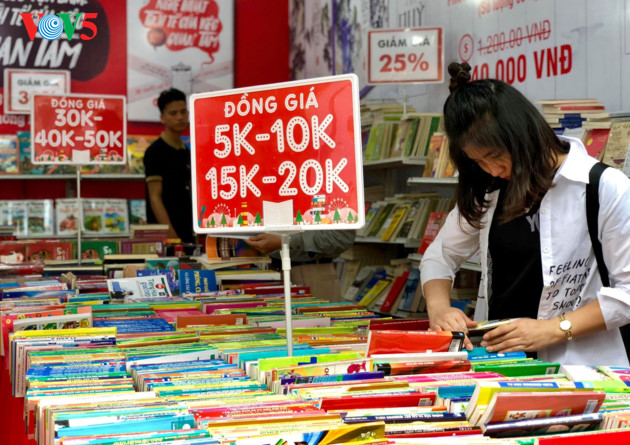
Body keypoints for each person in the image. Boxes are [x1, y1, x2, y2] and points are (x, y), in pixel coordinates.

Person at [420, 62, 630, 366]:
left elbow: (627, 293)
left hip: (582, 368)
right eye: (478, 162)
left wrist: (554, 329)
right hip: (499, 363)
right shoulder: (490, 190)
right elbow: (440, 255)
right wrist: (439, 308)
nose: (492, 170)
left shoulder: (604, 186)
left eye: (494, 156)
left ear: (524, 133)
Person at [144, 88, 194, 243]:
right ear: (162, 118)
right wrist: (171, 235)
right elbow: (155, 197)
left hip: (188, 229)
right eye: (173, 113)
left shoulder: (186, 151)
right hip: (167, 235)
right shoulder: (154, 152)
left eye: (183, 112)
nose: (180, 117)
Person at [246, 231, 355, 301]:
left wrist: (287, 240)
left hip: (311, 272)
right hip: (270, 271)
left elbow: (341, 237)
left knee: (315, 328)